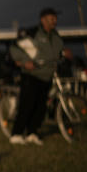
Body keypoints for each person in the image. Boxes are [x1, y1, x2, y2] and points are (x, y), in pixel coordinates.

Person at [8, 8, 74, 145]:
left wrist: (64, 54)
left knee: (40, 107)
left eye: (55, 18)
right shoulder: (32, 33)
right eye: (51, 18)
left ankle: (32, 133)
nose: (54, 20)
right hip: (32, 75)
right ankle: (16, 133)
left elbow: (58, 52)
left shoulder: (56, 37)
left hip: (47, 76)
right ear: (43, 19)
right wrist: (25, 62)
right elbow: (15, 48)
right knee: (27, 105)